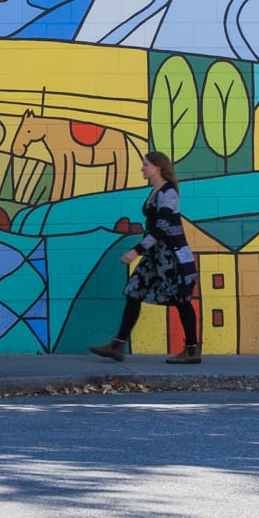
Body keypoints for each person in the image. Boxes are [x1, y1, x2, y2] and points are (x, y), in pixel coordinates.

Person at [89, 151, 200, 364]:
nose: (142, 168)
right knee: (133, 292)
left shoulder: (169, 192)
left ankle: (192, 351)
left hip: (171, 256)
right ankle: (117, 345)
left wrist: (136, 251)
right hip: (154, 256)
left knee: (181, 300)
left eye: (146, 164)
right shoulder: (155, 191)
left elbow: (163, 227)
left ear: (158, 167)